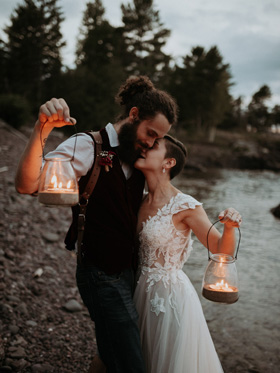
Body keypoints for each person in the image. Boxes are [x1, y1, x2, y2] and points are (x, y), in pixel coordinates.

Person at [15, 75, 178, 373]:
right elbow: (28, 185)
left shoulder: (139, 155)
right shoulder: (86, 145)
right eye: (150, 133)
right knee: (131, 363)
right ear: (133, 115)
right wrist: (42, 128)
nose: (152, 143)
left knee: (109, 355)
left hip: (129, 272)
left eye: (158, 140)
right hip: (100, 272)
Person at [133, 135, 242, 373]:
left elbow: (220, 250)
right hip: (135, 290)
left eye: (153, 147)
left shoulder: (185, 205)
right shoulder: (137, 200)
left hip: (169, 298)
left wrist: (230, 227)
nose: (144, 148)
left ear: (168, 163)